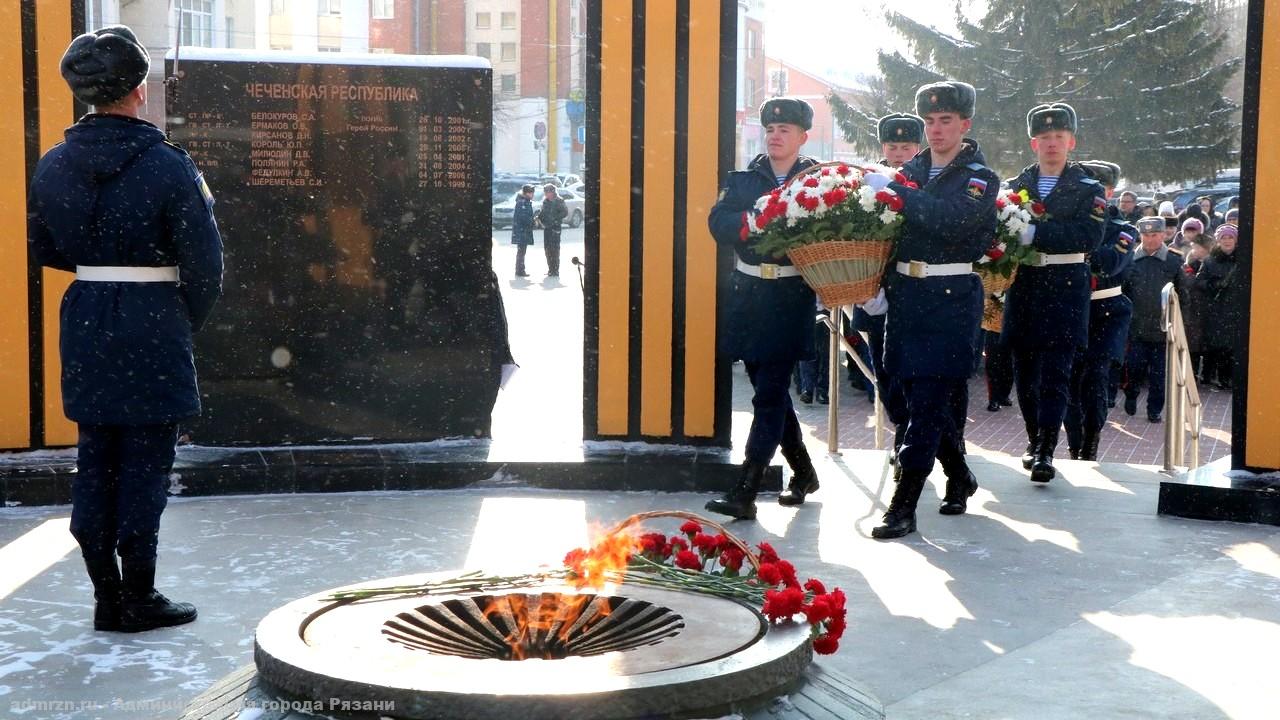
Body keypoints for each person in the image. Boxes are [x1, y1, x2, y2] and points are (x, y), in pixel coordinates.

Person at [27, 26, 223, 632]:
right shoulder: (168, 165)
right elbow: (205, 265)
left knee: (96, 455)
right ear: (140, 90)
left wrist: (101, 272)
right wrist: (174, 313)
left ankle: (105, 595)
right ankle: (137, 594)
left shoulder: (54, 164)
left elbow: (45, 247)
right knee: (145, 462)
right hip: (152, 319)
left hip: (86, 317)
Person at [864, 80, 998, 539]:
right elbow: (890, 234)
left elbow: (951, 221)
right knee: (906, 400)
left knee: (926, 407)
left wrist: (899, 195)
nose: (936, 130)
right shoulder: (913, 170)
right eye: (930, 122)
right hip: (905, 297)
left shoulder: (979, 177)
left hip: (950, 301)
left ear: (965, 124)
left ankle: (903, 506)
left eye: (946, 121)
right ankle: (959, 474)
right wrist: (872, 284)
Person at [705, 97, 822, 518]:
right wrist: (755, 220)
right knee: (768, 393)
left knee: (770, 395)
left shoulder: (817, 182)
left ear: (802, 137)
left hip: (790, 299)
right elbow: (718, 222)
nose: (775, 136)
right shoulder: (742, 180)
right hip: (749, 296)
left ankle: (746, 490)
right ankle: (804, 471)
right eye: (771, 129)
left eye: (785, 130)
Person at [1002, 102, 1105, 482]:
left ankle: (1047, 448)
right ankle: (1034, 440)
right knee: (1024, 372)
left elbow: (1088, 236)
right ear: (1034, 143)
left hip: (1065, 286)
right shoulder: (1016, 186)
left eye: (1058, 137)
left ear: (1071, 142)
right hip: (1026, 285)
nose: (1051, 144)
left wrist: (1037, 233)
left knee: (1057, 372)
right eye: (1044, 137)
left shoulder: (1088, 188)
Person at [853, 112, 924, 464]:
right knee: (884, 375)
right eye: (893, 147)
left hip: (916, 295)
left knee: (914, 372)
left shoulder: (927, 185)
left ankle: (909, 440)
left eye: (906, 147)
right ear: (883, 147)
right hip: (874, 295)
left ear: (918, 148)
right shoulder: (865, 184)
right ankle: (901, 427)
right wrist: (864, 290)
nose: (899, 154)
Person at [1063, 161, 1134, 461]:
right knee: (1065, 380)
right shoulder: (1069, 222)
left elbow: (1109, 263)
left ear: (1111, 191)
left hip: (1105, 311)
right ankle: (1074, 443)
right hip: (1069, 309)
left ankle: (1091, 440)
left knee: (1094, 378)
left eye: (1100, 189)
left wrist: (1078, 247)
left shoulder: (1123, 229)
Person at [1122, 217, 1187, 422]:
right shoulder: (1130, 259)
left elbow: (1183, 296)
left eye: (1155, 235)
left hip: (1163, 328)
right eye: (1146, 235)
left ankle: (1154, 409)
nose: (1150, 240)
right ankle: (1131, 394)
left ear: (1163, 235)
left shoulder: (1174, 261)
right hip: (1137, 327)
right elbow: (1123, 292)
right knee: (1134, 369)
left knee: (1159, 376)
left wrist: (1178, 325)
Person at [1196, 223, 1241, 389]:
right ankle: (1210, 376)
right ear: (1218, 240)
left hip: (1236, 310)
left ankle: (1226, 378)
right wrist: (1214, 285)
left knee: (1232, 347)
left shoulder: (1243, 260)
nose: (1227, 241)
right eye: (1224, 237)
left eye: (1231, 237)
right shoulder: (1210, 260)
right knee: (1214, 345)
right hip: (1215, 309)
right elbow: (1199, 282)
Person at [539, 184, 568, 277]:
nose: (546, 194)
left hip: (555, 228)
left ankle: (555, 270)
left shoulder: (559, 201)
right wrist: (539, 217)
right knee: (547, 249)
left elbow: (565, 212)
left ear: (552, 192)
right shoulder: (545, 201)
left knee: (555, 249)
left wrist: (555, 219)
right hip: (547, 228)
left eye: (547, 192)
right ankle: (550, 269)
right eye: (545, 192)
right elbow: (543, 212)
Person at [511, 184, 535, 277]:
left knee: (522, 251)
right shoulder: (522, 203)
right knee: (521, 252)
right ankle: (520, 270)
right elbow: (523, 217)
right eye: (531, 193)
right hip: (521, 231)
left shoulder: (526, 202)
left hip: (523, 230)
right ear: (526, 193)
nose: (532, 195)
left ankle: (520, 269)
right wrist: (533, 222)